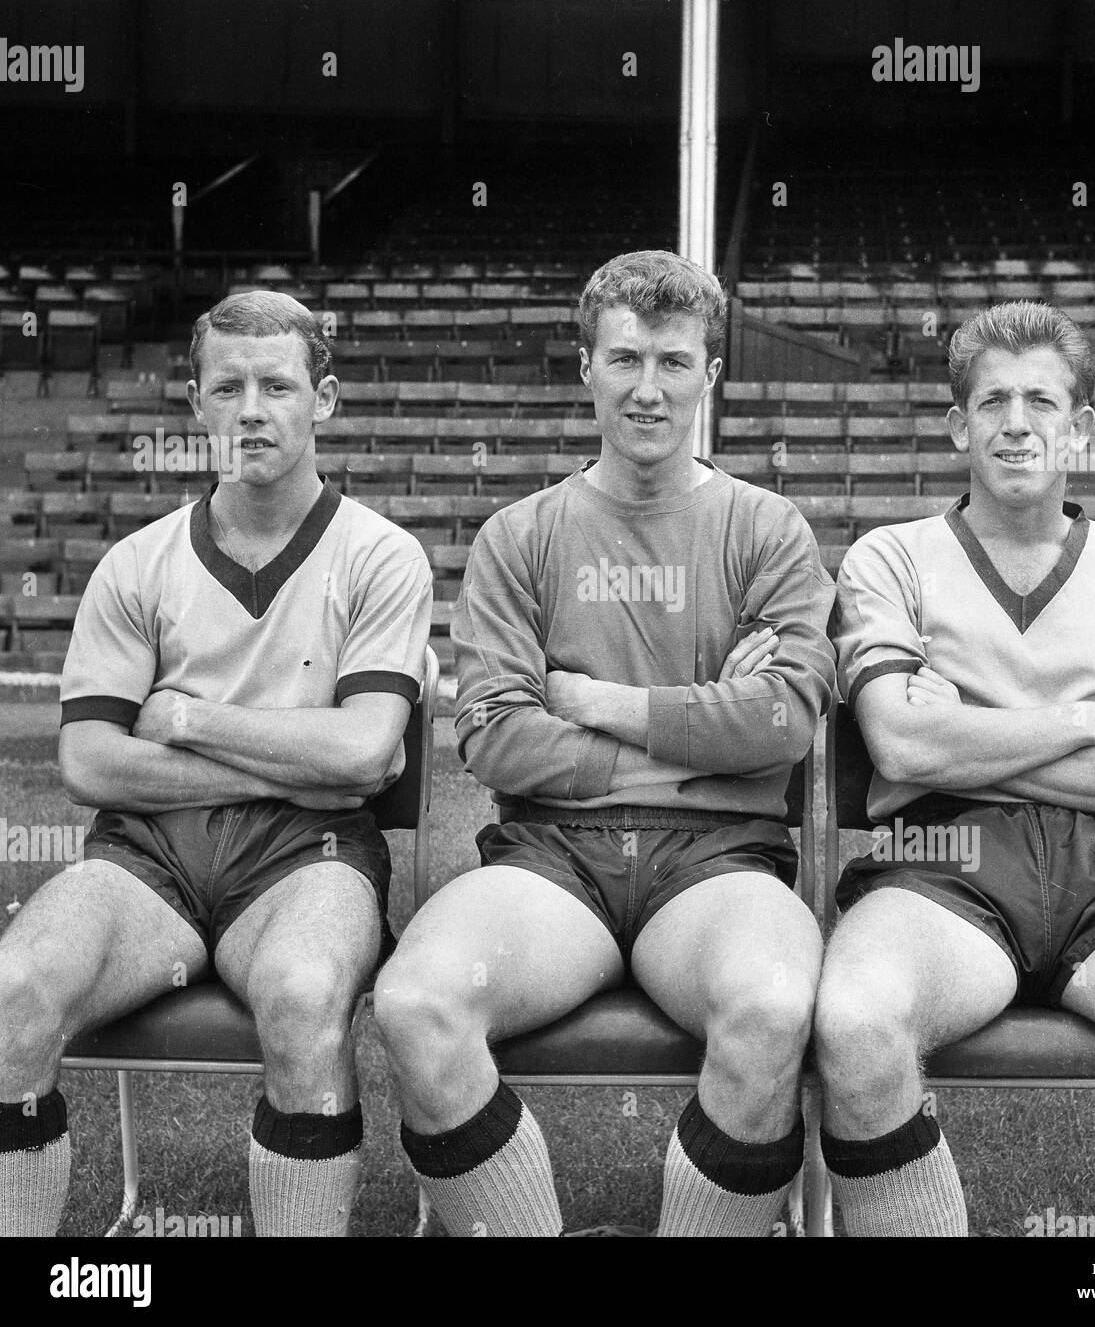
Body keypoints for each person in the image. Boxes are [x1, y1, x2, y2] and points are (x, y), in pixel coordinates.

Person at [374, 250, 836, 1237]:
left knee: (770, 1002)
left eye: (674, 361)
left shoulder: (767, 530)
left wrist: (590, 701)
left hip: (720, 863)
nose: (647, 388)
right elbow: (494, 737)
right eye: (624, 358)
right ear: (584, 366)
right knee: (415, 1001)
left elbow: (782, 723)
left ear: (711, 372)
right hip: (550, 861)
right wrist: (699, 734)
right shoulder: (519, 535)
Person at [815, 299, 1095, 1236]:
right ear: (958, 423)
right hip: (941, 865)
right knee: (855, 1020)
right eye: (992, 402)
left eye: (1042, 402)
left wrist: (965, 738)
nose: (1017, 424)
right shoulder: (890, 559)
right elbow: (897, 747)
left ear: (1081, 427)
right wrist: (1080, 721)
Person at [0, 291, 432, 1237]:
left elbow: (363, 754)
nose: (251, 410)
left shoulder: (381, 557)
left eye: (277, 385)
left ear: (324, 399)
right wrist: (294, 758)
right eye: (226, 387)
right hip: (146, 861)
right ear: (196, 403)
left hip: (308, 854)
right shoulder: (137, 563)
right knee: (11, 995)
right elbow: (90, 764)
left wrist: (189, 717)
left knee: (306, 994)